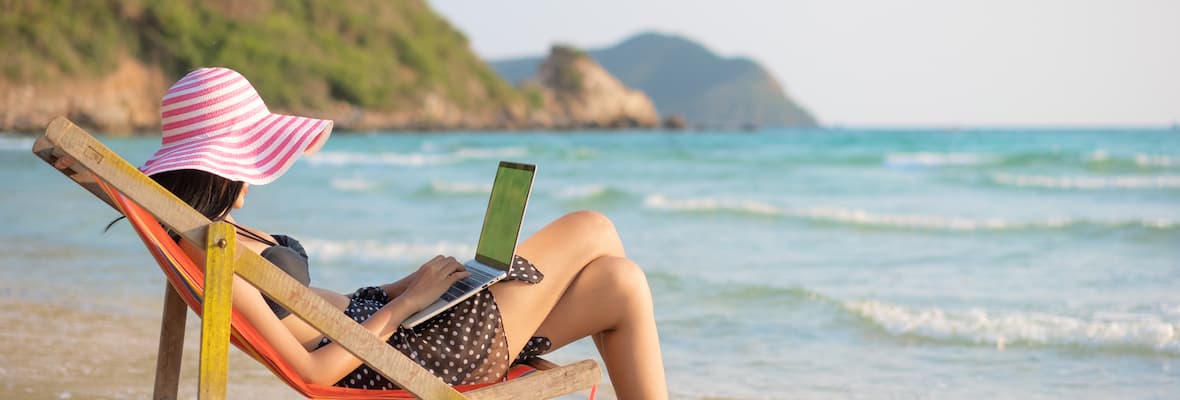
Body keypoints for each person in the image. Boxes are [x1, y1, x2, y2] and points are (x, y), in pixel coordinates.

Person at [60, 67, 668, 399]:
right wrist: (408, 305)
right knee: (594, 226)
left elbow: (315, 308)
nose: (251, 180)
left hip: (394, 323)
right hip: (402, 355)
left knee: (621, 282)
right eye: (244, 162)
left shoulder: (206, 231)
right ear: (219, 169)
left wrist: (408, 285)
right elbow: (315, 370)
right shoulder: (212, 251)